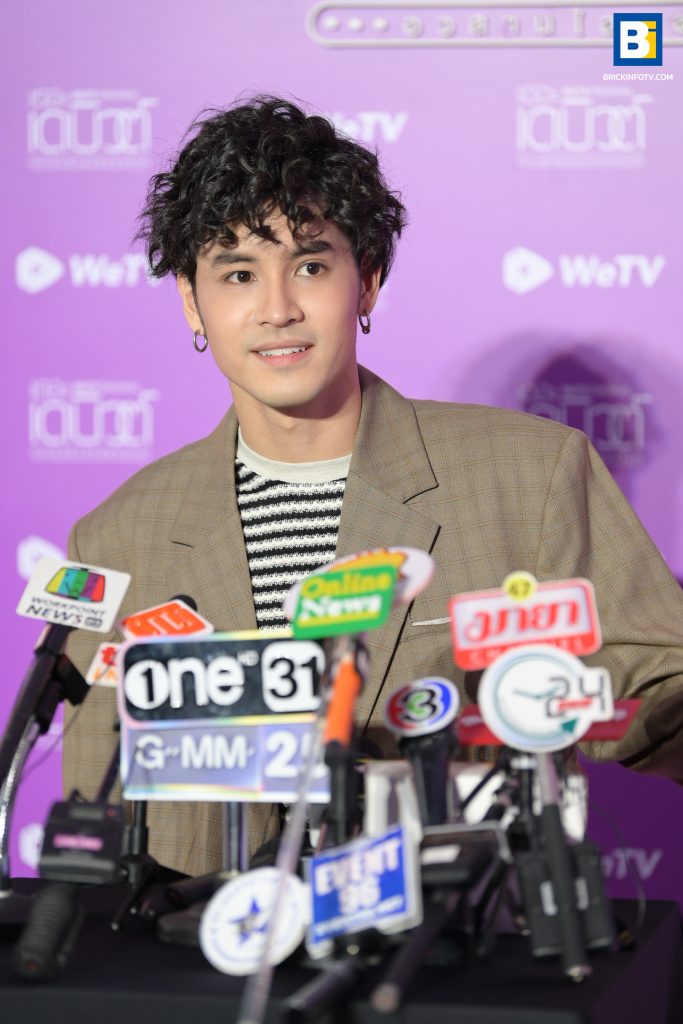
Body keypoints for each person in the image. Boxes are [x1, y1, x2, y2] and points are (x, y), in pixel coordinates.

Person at [64, 96, 683, 878]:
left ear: (367, 283)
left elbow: (658, 689)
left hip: (449, 936)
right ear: (192, 299)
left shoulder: (530, 475)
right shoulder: (118, 538)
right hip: (206, 940)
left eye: (311, 266)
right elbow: (95, 824)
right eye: (238, 274)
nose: (277, 310)